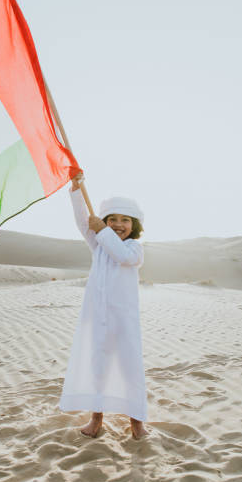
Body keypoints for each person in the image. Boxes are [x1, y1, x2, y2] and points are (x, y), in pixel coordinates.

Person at [59, 172, 148, 440]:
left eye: (125, 220)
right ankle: (96, 418)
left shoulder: (134, 249)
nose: (118, 224)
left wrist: (103, 230)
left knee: (129, 369)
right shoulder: (98, 246)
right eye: (112, 219)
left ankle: (137, 422)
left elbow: (120, 254)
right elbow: (82, 222)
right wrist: (76, 190)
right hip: (97, 320)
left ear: (134, 224)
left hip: (124, 322)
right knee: (97, 368)